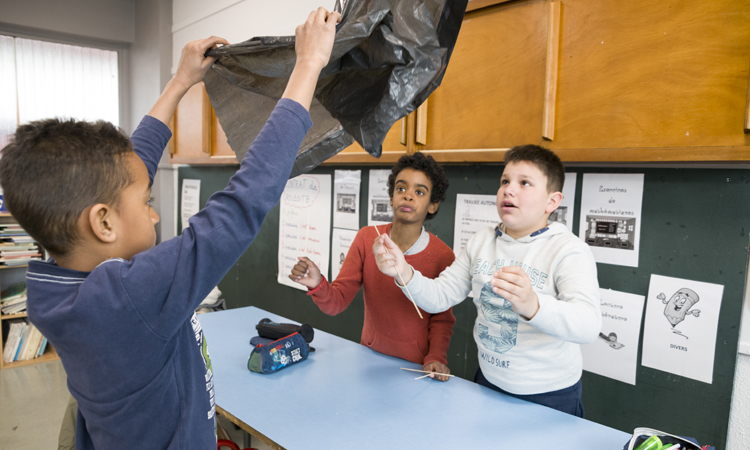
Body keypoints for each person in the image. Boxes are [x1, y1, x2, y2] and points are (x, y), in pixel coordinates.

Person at [0, 8, 340, 449]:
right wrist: (308, 65)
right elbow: (242, 203)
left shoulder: (55, 277)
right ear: (102, 222)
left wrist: (180, 82)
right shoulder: (126, 297)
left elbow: (129, 168)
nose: (155, 214)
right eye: (147, 201)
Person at [373, 145, 601, 416]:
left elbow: (588, 325)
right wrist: (404, 271)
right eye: (505, 181)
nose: (509, 189)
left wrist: (533, 305)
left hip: (549, 395)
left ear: (552, 201)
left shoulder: (568, 250)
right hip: (488, 382)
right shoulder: (482, 240)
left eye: (524, 183)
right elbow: (441, 295)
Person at [289, 152, 456, 380]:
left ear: (433, 205)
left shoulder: (442, 255)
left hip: (416, 369)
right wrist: (318, 284)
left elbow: (442, 318)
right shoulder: (368, 238)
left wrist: (436, 357)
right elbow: (336, 303)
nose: (408, 196)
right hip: (368, 359)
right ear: (390, 197)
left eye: (419, 192)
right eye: (401, 188)